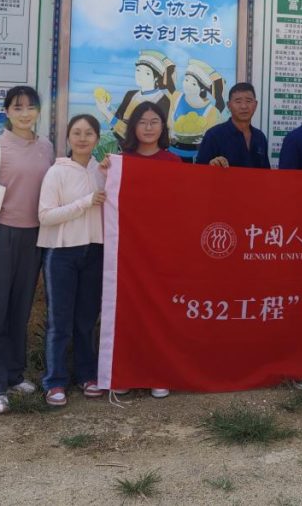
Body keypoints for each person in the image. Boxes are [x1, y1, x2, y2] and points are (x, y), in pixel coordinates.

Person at [0, 85, 55, 415]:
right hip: (0, 234)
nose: (24, 113)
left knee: (20, 308)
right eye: (17, 107)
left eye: (30, 107)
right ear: (6, 112)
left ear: (38, 112)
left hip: (34, 237)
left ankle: (12, 374)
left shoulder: (45, 147)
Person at [103, 100, 178, 398]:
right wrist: (104, 171)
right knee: (128, 311)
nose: (148, 127)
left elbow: (180, 205)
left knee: (160, 311)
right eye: (142, 122)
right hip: (128, 251)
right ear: (133, 127)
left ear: (163, 127)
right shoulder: (120, 162)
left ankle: (158, 373)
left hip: (162, 250)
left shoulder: (173, 162)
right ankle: (126, 373)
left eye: (154, 122)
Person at [37, 114, 107, 407]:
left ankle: (87, 375)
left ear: (97, 139)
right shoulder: (57, 172)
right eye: (76, 133)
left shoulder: (104, 171)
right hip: (61, 253)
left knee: (87, 320)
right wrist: (85, 202)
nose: (82, 138)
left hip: (95, 252)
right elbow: (45, 216)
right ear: (68, 138)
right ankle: (54, 381)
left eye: (88, 133)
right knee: (59, 321)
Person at [100, 50, 175, 143]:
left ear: (156, 78)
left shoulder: (163, 100)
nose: (140, 75)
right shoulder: (130, 94)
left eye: (147, 73)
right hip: (123, 148)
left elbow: (144, 135)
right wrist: (108, 108)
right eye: (138, 70)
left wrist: (105, 112)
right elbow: (115, 123)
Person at [196, 82, 271, 169]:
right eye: (238, 102)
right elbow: (199, 171)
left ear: (255, 104)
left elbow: (266, 172)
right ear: (229, 105)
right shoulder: (214, 135)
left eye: (248, 101)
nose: (244, 106)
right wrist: (211, 164)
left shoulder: (260, 137)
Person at [169, 59, 226, 162]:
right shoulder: (175, 97)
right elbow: (167, 123)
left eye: (194, 84)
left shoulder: (210, 110)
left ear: (202, 89)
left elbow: (209, 138)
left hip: (196, 158)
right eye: (186, 80)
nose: (187, 85)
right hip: (171, 153)